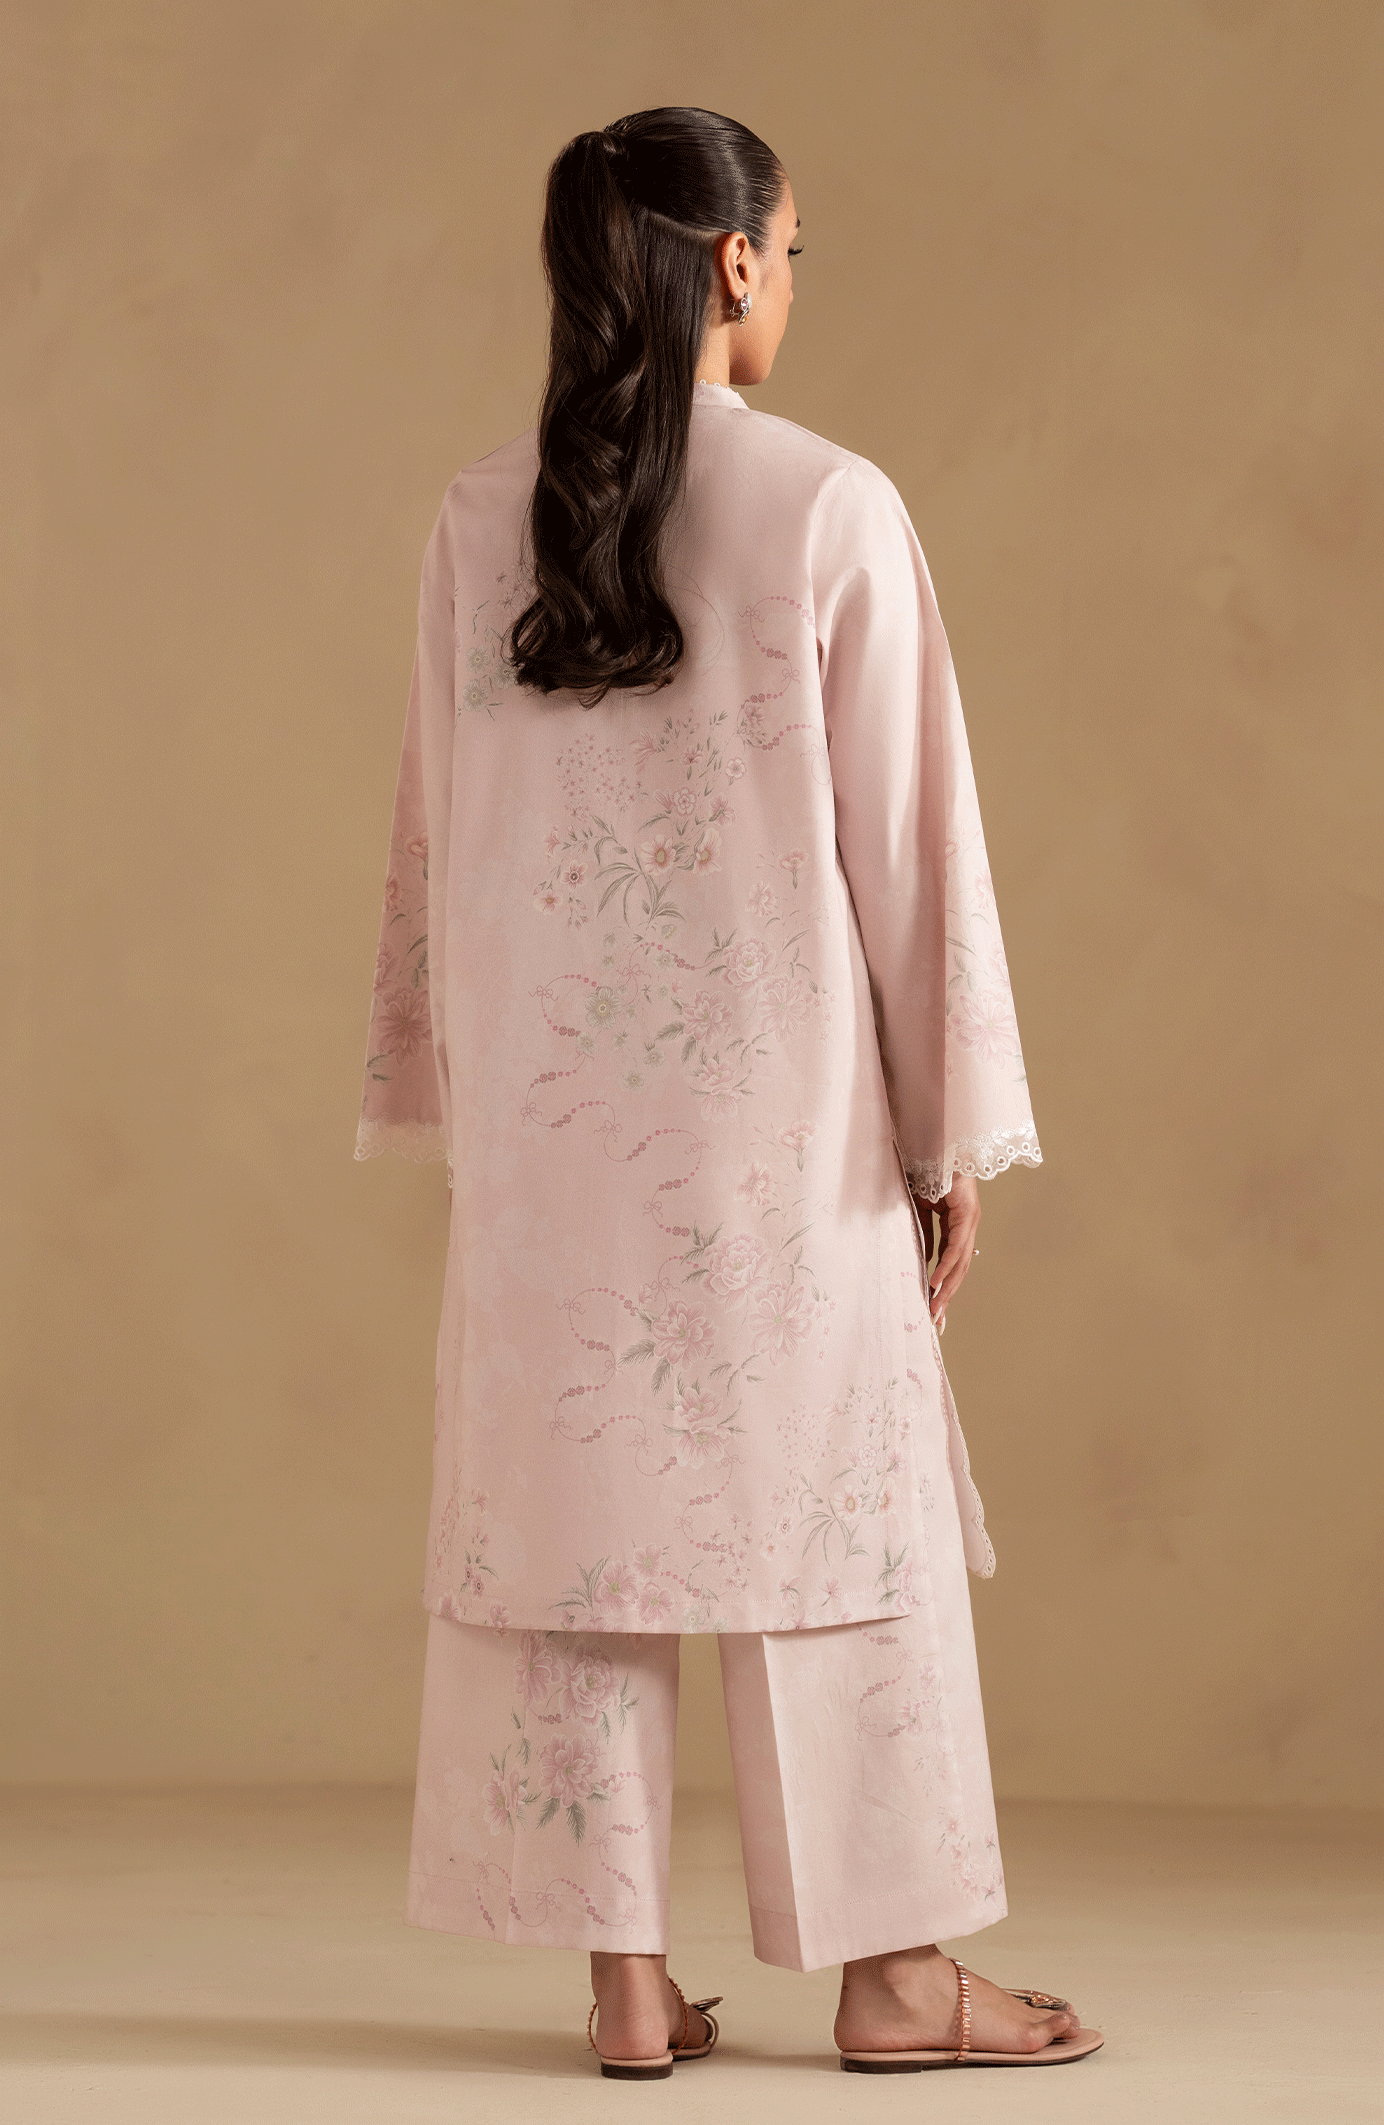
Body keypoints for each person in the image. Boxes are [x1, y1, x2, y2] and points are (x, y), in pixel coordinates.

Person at [355, 105, 1102, 2079]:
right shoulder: (828, 502)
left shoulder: (479, 518)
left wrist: (464, 1097)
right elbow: (910, 853)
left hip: (552, 1133)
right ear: (737, 260)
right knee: (838, 1517)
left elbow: (441, 839)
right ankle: (893, 1976)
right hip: (781, 1130)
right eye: (794, 248)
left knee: (573, 1518)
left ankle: (620, 1983)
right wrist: (943, 1135)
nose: (793, 279)